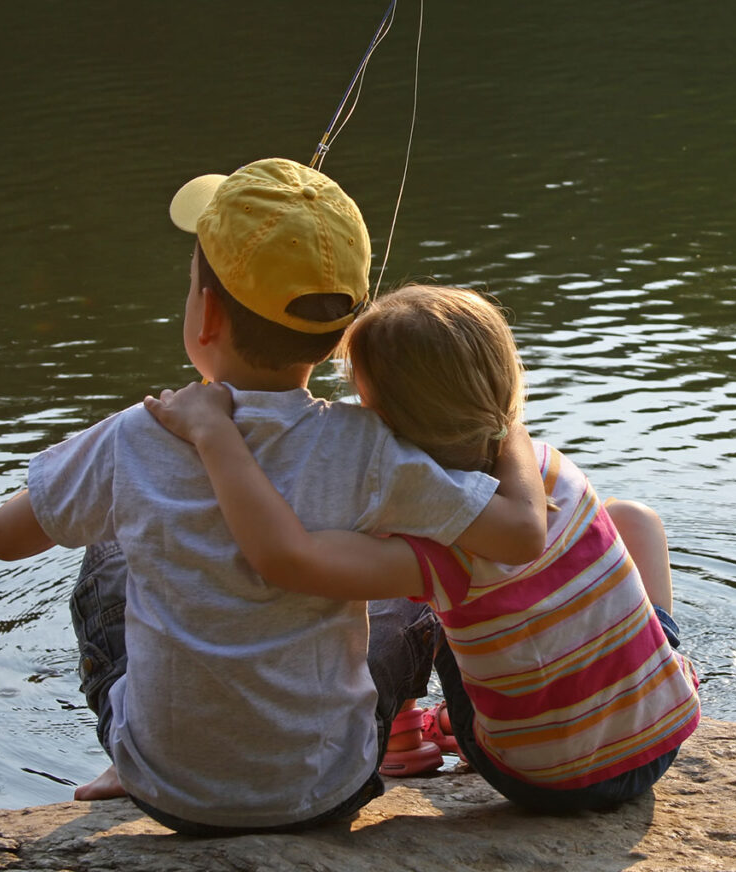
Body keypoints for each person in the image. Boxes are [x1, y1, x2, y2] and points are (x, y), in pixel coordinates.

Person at [0, 160, 546, 835]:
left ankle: (129, 752)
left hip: (169, 791)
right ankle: (396, 735)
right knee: (411, 580)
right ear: (343, 326)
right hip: (327, 787)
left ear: (206, 314)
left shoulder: (134, 435)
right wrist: (511, 429)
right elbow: (515, 537)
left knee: (106, 555)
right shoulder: (368, 447)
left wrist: (127, 480)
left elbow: (4, 539)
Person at [145, 283, 702, 813]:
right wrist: (502, 411)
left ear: (382, 421)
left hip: (541, 780)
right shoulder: (551, 466)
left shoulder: (433, 546)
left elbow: (287, 558)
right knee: (633, 519)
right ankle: (655, 677)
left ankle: (408, 729)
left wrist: (214, 436)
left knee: (414, 600)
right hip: (661, 740)